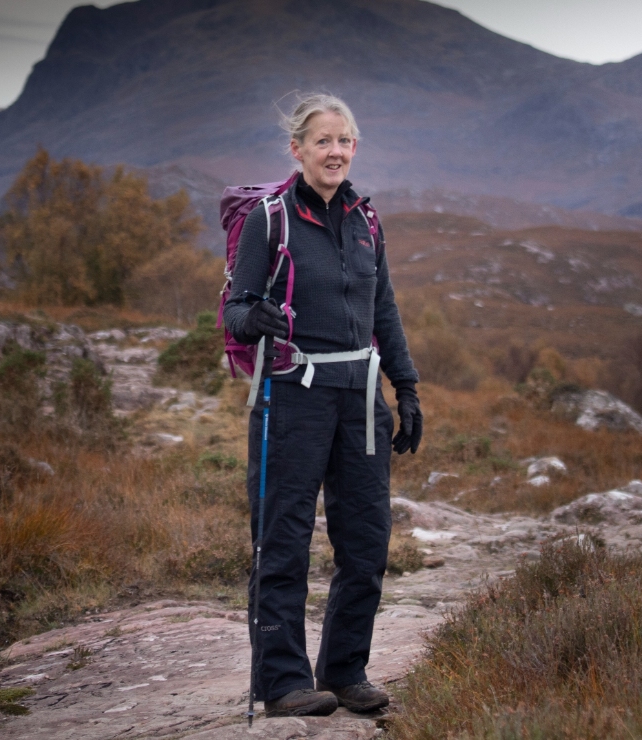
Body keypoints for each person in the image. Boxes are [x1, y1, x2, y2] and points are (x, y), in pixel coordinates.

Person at [223, 93, 423, 718]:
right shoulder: (270, 220)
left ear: (354, 148)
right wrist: (251, 315)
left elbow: (382, 309)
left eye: (345, 141)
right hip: (292, 397)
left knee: (366, 542)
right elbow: (234, 308)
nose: (335, 151)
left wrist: (407, 386)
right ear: (298, 150)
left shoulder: (366, 221)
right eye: (322, 142)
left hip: (361, 399)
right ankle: (281, 682)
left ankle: (343, 671)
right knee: (282, 539)